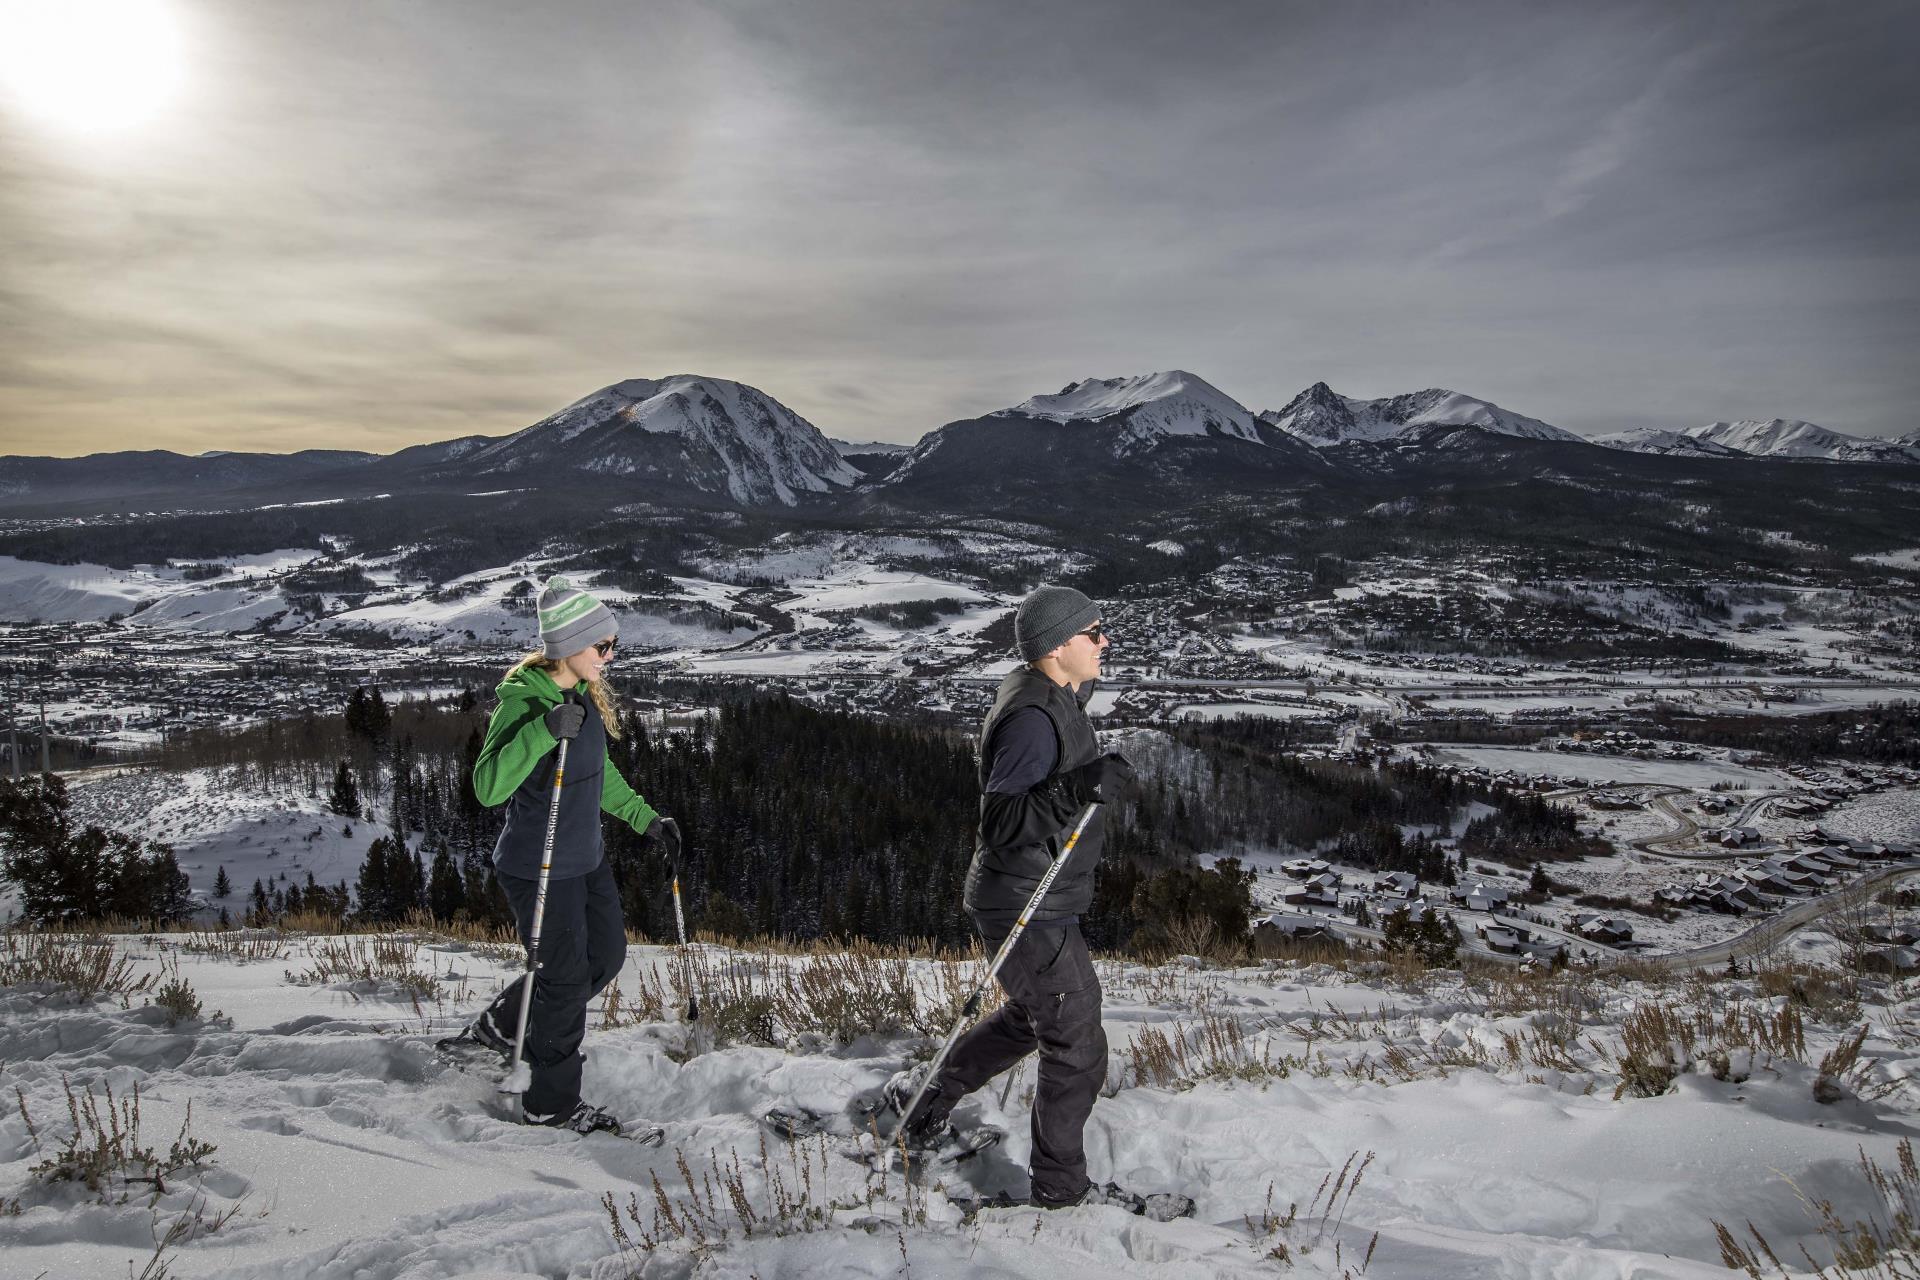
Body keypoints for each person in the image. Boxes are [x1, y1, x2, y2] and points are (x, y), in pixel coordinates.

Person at [891, 584, 1137, 1209]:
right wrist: (1080, 786)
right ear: (1058, 647)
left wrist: (1079, 708)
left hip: (1035, 894)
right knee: (1076, 1045)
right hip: (1030, 902)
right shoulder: (1030, 718)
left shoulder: (1050, 692)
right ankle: (1060, 1191)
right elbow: (1001, 821)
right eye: (1093, 633)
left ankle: (925, 1102)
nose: (1104, 641)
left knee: (1032, 1018)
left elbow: (1066, 704)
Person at [439, 575, 680, 1135]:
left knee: (607, 957)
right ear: (569, 645)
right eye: (602, 646)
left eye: (612, 645)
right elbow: (487, 787)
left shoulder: (582, 699)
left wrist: (647, 819)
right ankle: (551, 1104)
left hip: (585, 859)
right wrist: (543, 732)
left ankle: (500, 1029)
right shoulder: (525, 704)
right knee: (566, 981)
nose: (610, 656)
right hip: (538, 867)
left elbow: (598, 775)